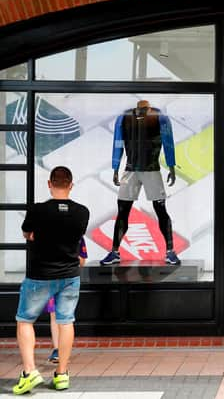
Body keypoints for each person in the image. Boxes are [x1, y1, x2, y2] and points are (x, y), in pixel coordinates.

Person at [15, 166, 90, 394]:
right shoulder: (82, 212)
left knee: (25, 320)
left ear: (49, 184)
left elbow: (28, 234)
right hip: (69, 276)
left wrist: (39, 236)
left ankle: (30, 372)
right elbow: (75, 238)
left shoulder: (37, 210)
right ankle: (62, 375)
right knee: (66, 321)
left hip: (40, 275)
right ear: (71, 185)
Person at [100, 100, 180, 266]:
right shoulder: (124, 117)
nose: (141, 112)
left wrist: (172, 166)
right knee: (123, 212)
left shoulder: (160, 117)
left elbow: (168, 141)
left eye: (144, 110)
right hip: (130, 170)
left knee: (161, 210)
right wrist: (115, 168)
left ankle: (170, 251)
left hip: (152, 169)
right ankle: (114, 252)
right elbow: (118, 141)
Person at [45, 237, 88, 364]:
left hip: (69, 281)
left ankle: (64, 351)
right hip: (51, 280)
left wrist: (68, 257)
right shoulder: (48, 235)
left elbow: (82, 261)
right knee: (53, 315)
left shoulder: (78, 237)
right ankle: (57, 349)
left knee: (65, 318)